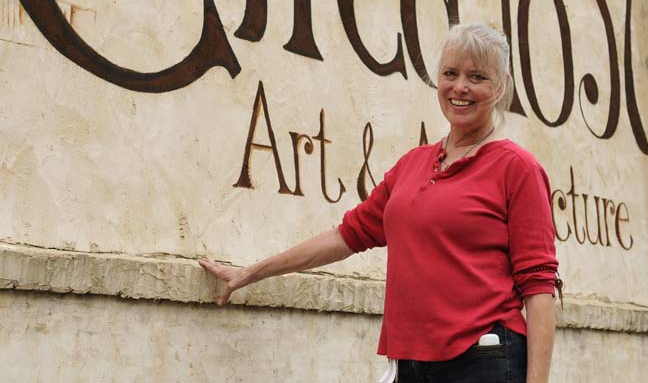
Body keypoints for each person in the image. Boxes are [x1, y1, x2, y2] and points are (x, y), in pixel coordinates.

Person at [199, 23, 560, 383]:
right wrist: (252, 272)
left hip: (483, 360)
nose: (460, 87)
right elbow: (346, 237)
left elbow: (539, 287)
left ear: (500, 86)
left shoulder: (517, 168)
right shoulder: (412, 165)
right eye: (451, 73)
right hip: (411, 363)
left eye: (477, 76)